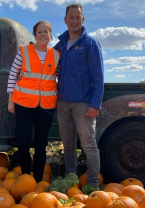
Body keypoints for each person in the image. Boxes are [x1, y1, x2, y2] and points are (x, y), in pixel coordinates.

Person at [54, 3, 104, 189]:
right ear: (65, 20)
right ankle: (71, 178)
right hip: (63, 102)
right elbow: (46, 63)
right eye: (71, 17)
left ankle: (93, 184)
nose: (74, 21)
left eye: (78, 17)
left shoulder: (90, 43)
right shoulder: (60, 44)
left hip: (84, 103)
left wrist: (95, 104)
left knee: (88, 144)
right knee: (67, 143)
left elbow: (98, 77)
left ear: (82, 20)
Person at [7, 20, 60, 183]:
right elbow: (12, 75)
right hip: (23, 104)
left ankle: (37, 181)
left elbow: (58, 77)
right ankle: (25, 177)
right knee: (23, 143)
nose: (43, 34)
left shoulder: (57, 55)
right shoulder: (23, 52)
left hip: (46, 106)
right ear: (35, 35)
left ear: (51, 35)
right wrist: (11, 101)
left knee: (40, 145)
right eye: (40, 32)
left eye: (46, 32)